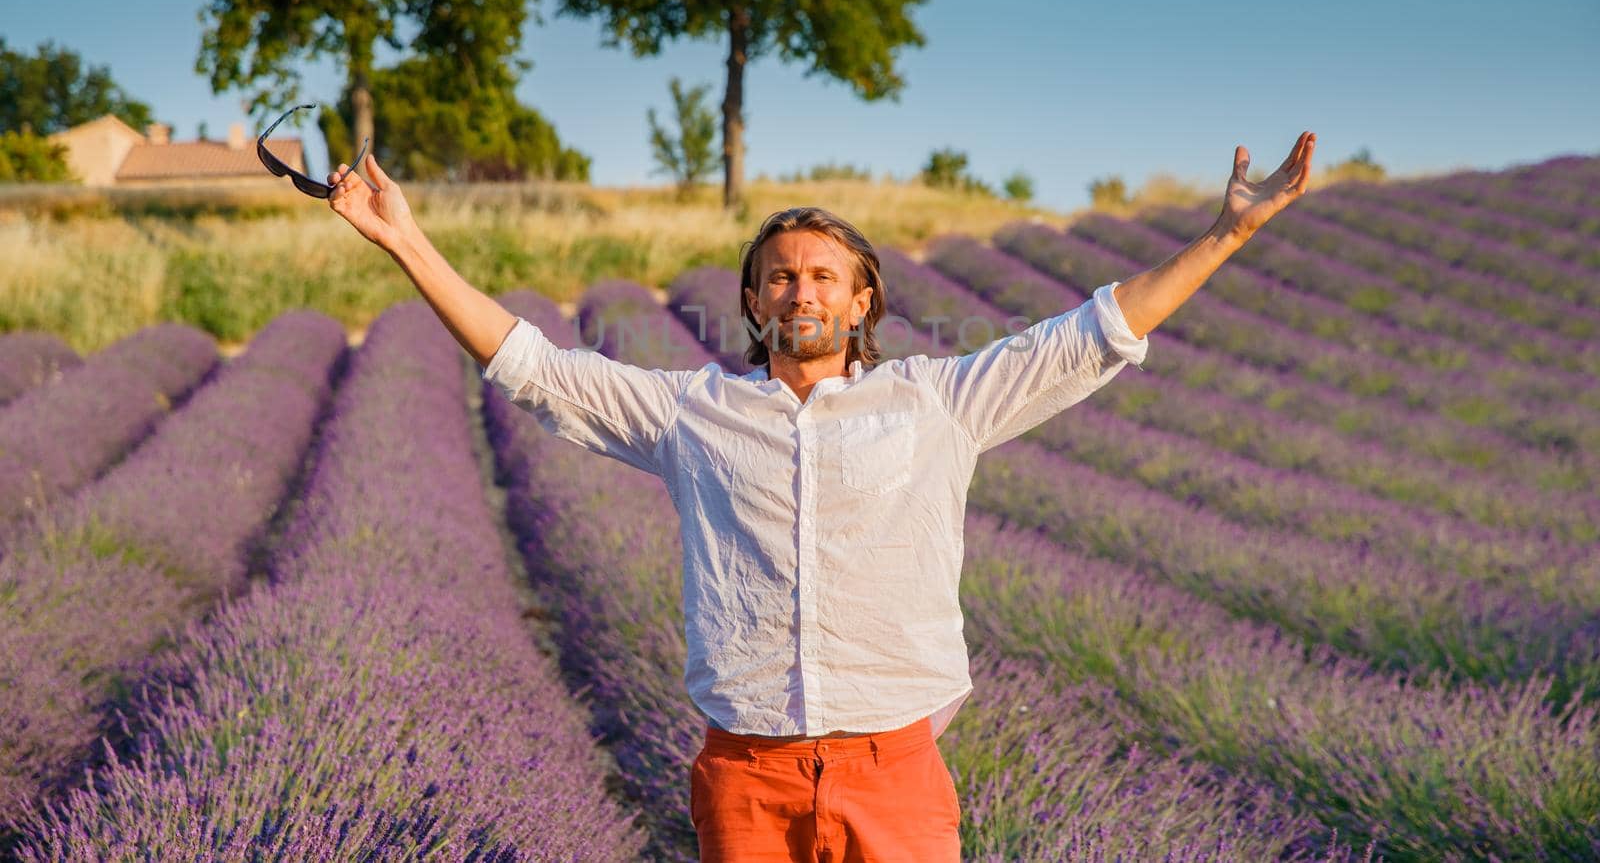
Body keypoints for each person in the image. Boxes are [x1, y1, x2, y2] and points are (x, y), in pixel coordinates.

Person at [325, 132, 1316, 862]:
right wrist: (405, 241)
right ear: (754, 303)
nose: (802, 291)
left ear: (861, 300)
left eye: (823, 276)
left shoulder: (938, 401)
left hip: (895, 778)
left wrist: (1226, 235)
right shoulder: (691, 412)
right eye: (780, 277)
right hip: (745, 778)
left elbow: (1093, 331)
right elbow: (530, 363)